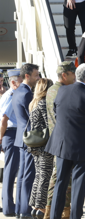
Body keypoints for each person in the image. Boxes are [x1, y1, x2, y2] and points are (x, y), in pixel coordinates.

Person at [44, 64, 85, 219]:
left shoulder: (62, 90)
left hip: (62, 144)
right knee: (78, 184)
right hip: (82, 146)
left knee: (60, 182)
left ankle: (54, 216)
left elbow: (57, 112)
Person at [44, 62, 76, 219]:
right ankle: (59, 211)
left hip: (56, 138)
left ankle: (55, 210)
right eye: (73, 73)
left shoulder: (51, 90)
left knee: (60, 176)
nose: (75, 77)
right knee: (61, 177)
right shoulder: (63, 91)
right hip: (64, 139)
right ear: (65, 75)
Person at [12, 63, 40, 219]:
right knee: (28, 176)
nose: (38, 78)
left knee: (23, 176)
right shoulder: (27, 94)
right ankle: (25, 211)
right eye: (36, 75)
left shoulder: (18, 91)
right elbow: (33, 118)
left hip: (21, 138)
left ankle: (19, 210)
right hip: (29, 139)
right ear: (27, 76)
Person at [28, 78, 54, 219]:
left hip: (35, 145)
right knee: (45, 176)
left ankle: (35, 206)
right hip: (45, 145)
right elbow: (50, 124)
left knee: (39, 175)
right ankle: (41, 208)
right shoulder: (44, 104)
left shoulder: (34, 103)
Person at [0, 69, 23, 217]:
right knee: (10, 172)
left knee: (12, 171)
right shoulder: (11, 95)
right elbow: (4, 119)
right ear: (14, 81)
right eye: (21, 80)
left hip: (12, 134)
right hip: (11, 134)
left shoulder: (11, 93)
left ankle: (10, 205)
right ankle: (8, 208)